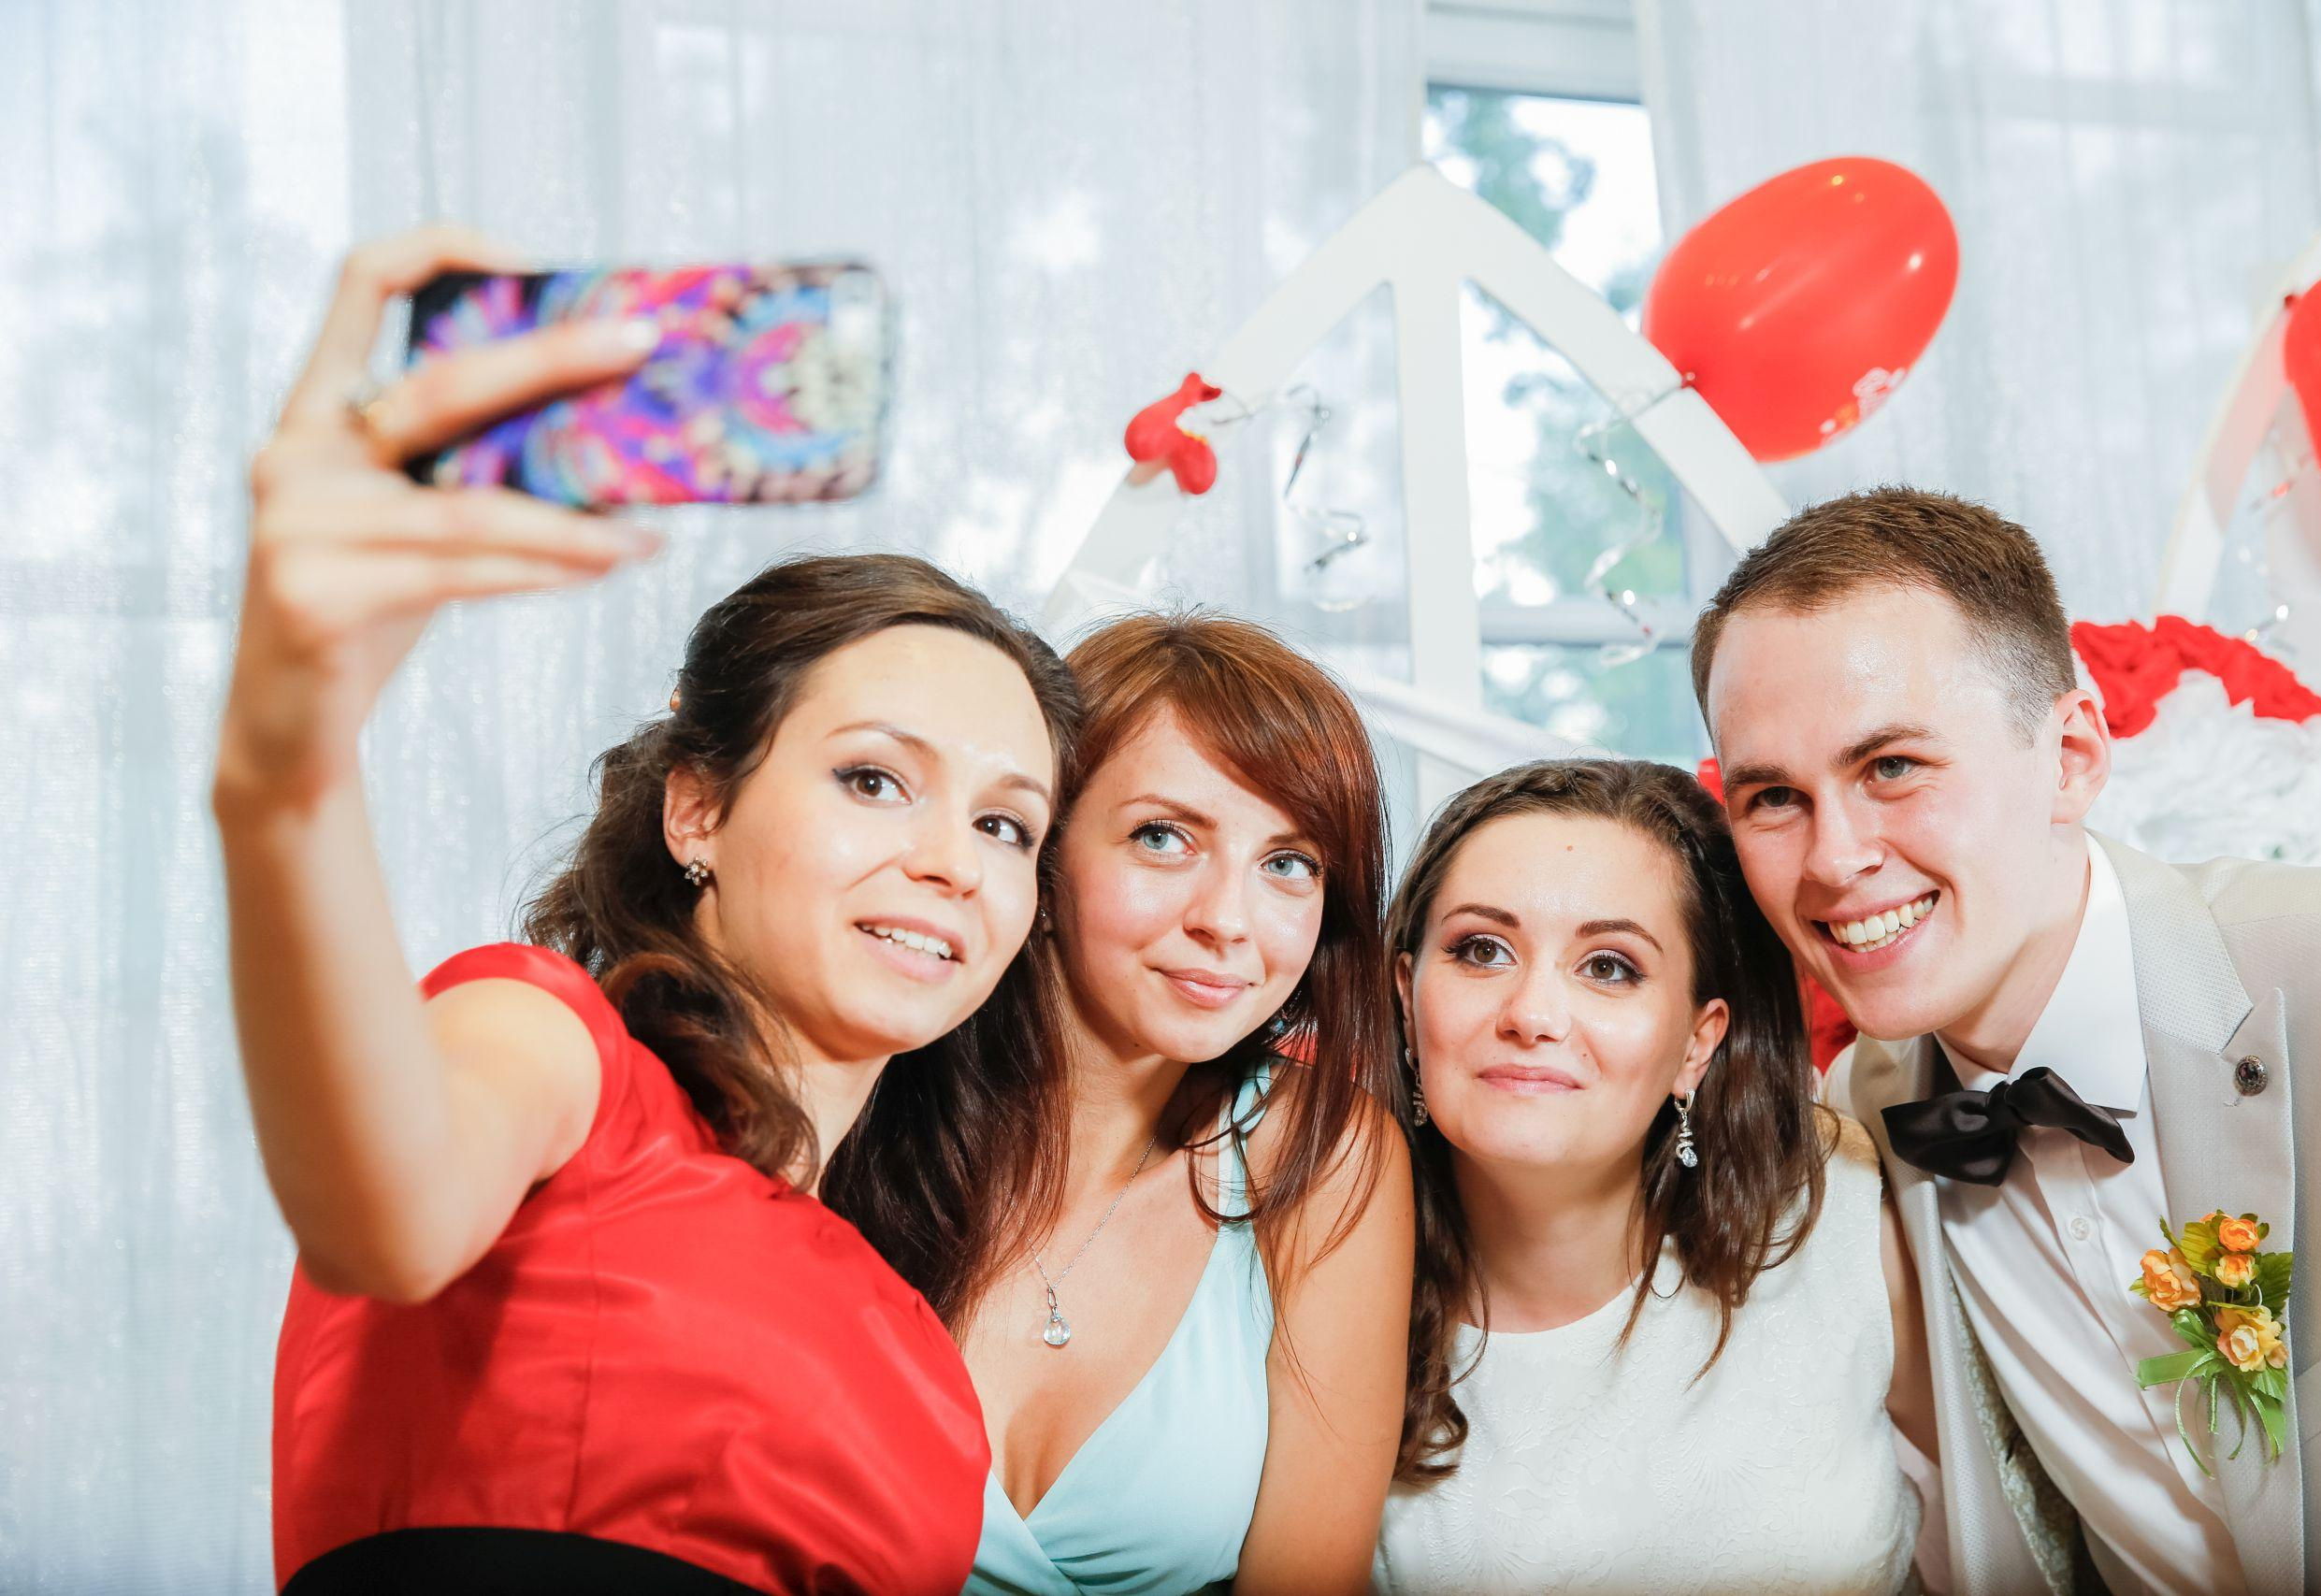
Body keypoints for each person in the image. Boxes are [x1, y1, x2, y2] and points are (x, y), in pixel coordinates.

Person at [217, 224, 1081, 1594]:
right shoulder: (555, 1045)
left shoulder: (911, 1330)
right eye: (874, 779)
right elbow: (382, 1202)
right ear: (699, 809)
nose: (952, 862)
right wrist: (282, 772)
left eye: (1004, 824)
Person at [1695, 486, 2321, 1596]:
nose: (1832, 859)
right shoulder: (1856, 1129)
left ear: (2069, 755)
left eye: (1891, 767)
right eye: (1772, 796)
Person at [1375, 757, 1937, 1595]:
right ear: (1407, 996)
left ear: (1696, 1042)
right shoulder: (1317, 1284)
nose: (1531, 1014)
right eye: (1481, 949)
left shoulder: (1841, 1212)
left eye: (1609, 966)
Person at [959, 611, 1414, 1596]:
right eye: (1163, 838)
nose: (1226, 921)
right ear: (1043, 853)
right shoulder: (864, 1097)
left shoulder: (1324, 1153)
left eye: (1288, 864)